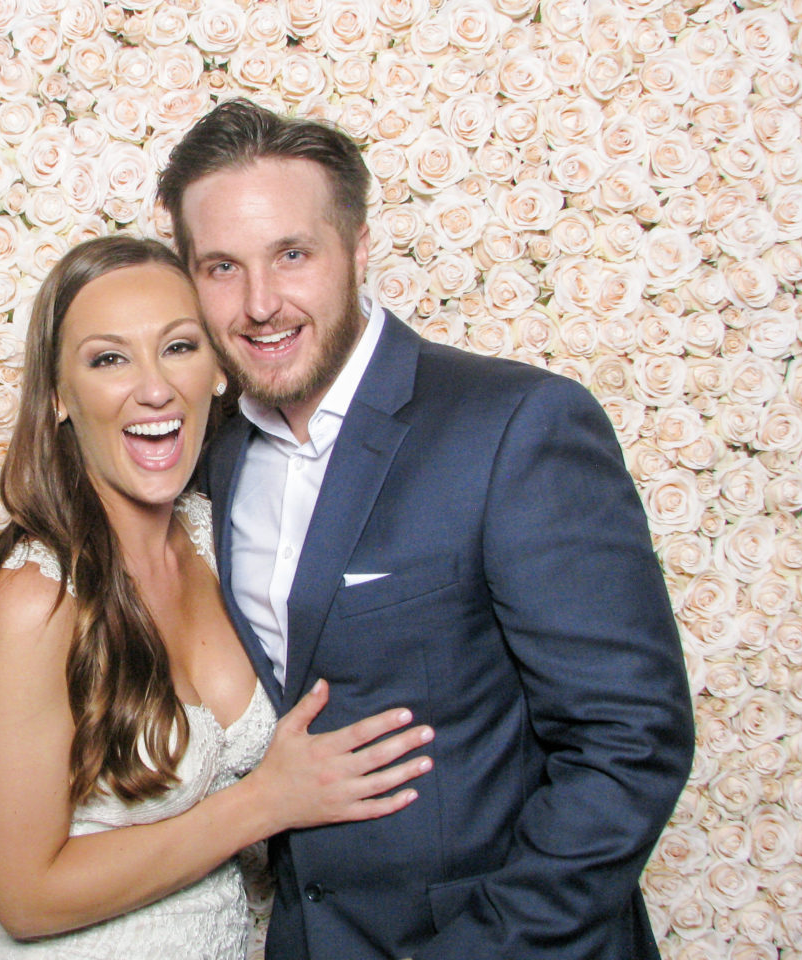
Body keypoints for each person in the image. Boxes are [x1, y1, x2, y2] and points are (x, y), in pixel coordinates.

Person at [157, 99, 695, 960]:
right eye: (221, 267)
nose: (259, 304)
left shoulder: (517, 424)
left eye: (292, 255)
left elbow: (628, 745)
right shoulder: (211, 454)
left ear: (359, 249)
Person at [0, 235, 436, 959]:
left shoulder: (222, 538)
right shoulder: (35, 600)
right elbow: (24, 897)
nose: (154, 388)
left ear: (218, 370)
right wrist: (265, 801)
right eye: (109, 358)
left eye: (179, 347)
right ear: (57, 395)